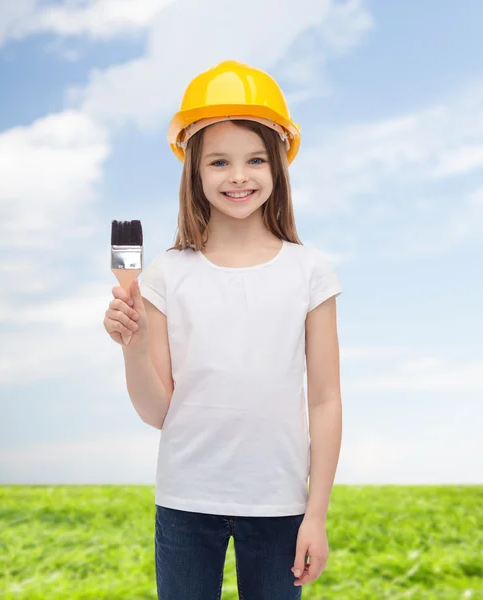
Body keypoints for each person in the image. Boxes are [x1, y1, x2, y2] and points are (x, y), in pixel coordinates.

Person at [103, 59, 343, 600]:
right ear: (194, 170)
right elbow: (157, 413)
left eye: (255, 158)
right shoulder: (165, 274)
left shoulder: (310, 271)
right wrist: (133, 347)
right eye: (219, 161)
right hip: (187, 502)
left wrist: (316, 513)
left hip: (281, 506)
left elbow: (326, 400)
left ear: (279, 165)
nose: (239, 176)